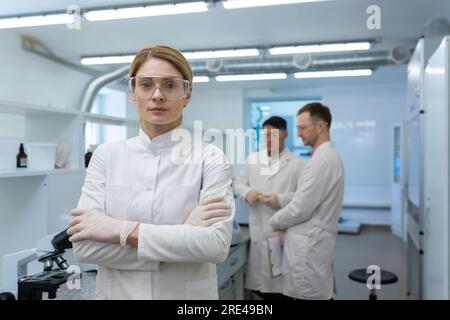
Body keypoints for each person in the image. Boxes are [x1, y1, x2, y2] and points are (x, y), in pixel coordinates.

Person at [67, 45, 235, 300]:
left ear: (187, 93)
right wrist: (182, 239)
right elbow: (85, 247)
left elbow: (215, 246)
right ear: (133, 92)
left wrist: (119, 231)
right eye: (146, 85)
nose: (157, 95)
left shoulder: (209, 158)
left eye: (170, 85)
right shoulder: (106, 156)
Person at [269, 102, 344, 300]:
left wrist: (274, 221)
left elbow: (300, 208)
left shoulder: (322, 161)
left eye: (302, 128)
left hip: (308, 249)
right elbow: (306, 197)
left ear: (320, 126)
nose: (299, 133)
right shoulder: (325, 158)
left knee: (307, 295)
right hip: (313, 244)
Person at [234, 116, 304, 300]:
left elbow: (303, 197)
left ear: (285, 134)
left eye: (273, 135)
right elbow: (238, 183)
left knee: (281, 288)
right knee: (259, 287)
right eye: (265, 135)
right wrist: (247, 192)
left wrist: (280, 199)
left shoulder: (297, 164)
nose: (268, 139)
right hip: (257, 229)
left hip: (281, 233)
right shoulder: (253, 160)